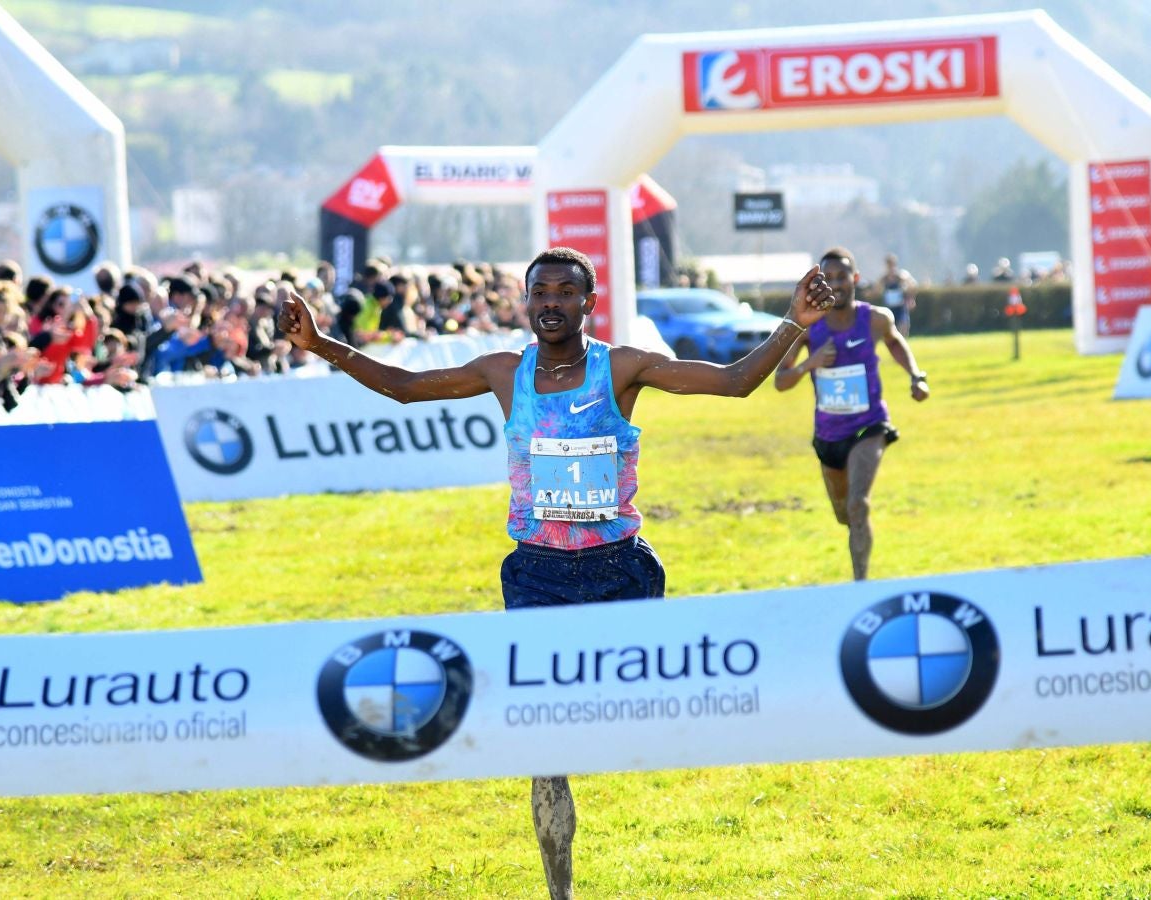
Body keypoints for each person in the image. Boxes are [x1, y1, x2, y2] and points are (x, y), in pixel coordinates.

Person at [278, 246, 834, 900]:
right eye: (539, 292)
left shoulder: (622, 367)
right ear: (526, 300)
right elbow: (405, 388)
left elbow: (736, 381)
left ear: (587, 303)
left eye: (564, 293)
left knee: (635, 718)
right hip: (538, 576)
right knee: (543, 741)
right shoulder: (502, 373)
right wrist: (319, 344)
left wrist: (793, 323)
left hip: (620, 571)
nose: (549, 304)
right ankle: (559, 889)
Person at [774, 247, 929, 582]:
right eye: (827, 278)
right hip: (829, 434)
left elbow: (895, 342)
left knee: (859, 505)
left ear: (855, 279)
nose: (836, 284)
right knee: (844, 514)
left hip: (869, 425)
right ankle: (855, 539)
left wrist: (917, 376)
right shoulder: (809, 330)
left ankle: (861, 586)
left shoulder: (875, 319)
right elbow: (780, 382)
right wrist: (809, 364)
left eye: (842, 276)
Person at [878, 253, 916, 336]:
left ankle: (904, 345)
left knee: (904, 329)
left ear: (895, 264)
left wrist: (911, 298)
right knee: (891, 332)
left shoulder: (901, 276)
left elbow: (912, 285)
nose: (890, 267)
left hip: (901, 307)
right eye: (888, 265)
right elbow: (877, 290)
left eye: (892, 264)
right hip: (890, 308)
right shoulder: (884, 278)